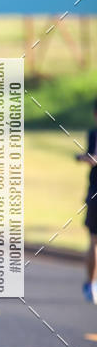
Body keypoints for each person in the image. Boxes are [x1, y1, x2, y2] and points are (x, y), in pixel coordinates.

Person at [75, 98, 97, 304]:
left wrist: (82, 158)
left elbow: (93, 157)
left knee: (93, 240)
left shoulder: (94, 133)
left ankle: (91, 284)